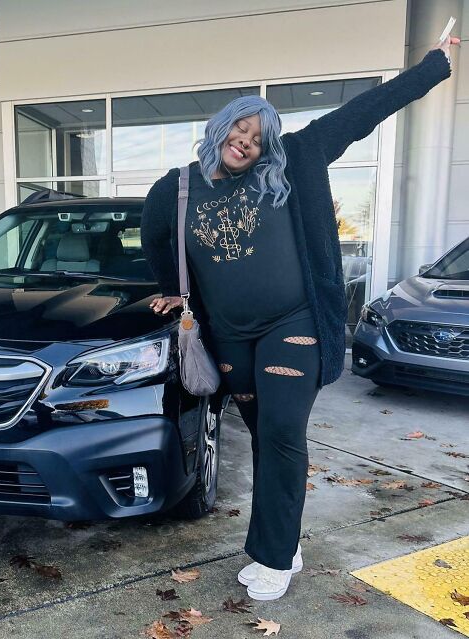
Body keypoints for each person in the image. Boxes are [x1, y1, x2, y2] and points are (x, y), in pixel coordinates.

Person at [140, 37, 458, 601]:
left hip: (296, 322)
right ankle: (283, 537)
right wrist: (171, 290)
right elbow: (153, 237)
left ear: (269, 147)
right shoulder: (177, 188)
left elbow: (364, 112)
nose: (246, 143)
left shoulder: (298, 160)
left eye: (258, 138)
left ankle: (273, 556)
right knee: (264, 436)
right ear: (220, 130)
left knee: (284, 432)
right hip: (230, 335)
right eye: (240, 131)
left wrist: (433, 66)